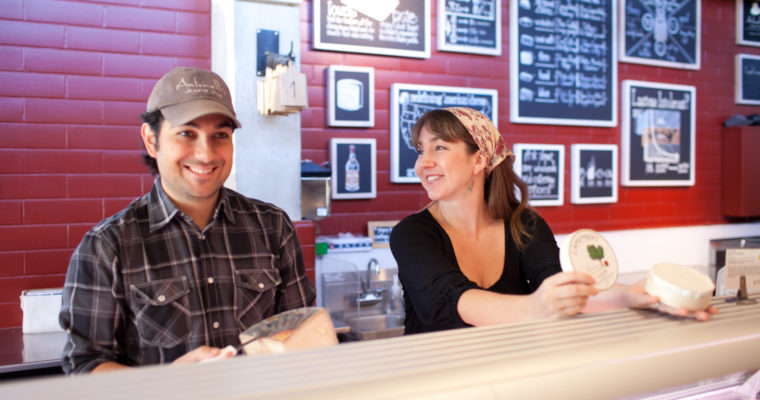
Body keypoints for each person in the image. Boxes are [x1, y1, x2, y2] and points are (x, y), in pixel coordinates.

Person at [60, 66, 316, 373]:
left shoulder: (273, 227)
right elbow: (85, 365)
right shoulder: (106, 245)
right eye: (186, 133)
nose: (206, 155)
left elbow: (300, 337)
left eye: (219, 135)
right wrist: (169, 383)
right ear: (151, 140)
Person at [389, 107, 716, 334]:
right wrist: (536, 308)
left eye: (439, 147)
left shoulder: (524, 225)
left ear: (479, 160)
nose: (422, 163)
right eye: (420, 150)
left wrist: (634, 296)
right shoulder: (412, 235)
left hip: (516, 378)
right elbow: (454, 299)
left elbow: (557, 289)